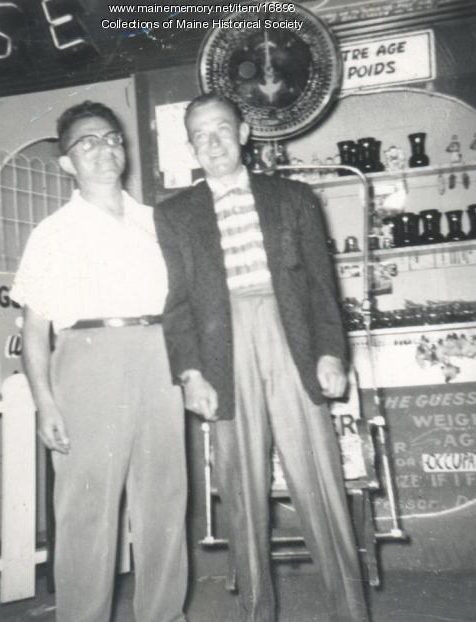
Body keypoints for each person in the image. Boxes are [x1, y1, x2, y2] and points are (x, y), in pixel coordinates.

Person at [154, 93, 369, 622]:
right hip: (222, 346)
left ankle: (350, 611)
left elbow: (323, 286)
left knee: (319, 480)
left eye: (223, 129)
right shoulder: (175, 214)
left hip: (290, 338)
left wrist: (330, 353)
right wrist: (189, 372)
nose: (214, 142)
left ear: (245, 133)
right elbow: (177, 304)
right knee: (241, 488)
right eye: (201, 135)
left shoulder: (292, 197)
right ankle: (256, 611)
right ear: (191, 148)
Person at [11, 101, 188, 622]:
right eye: (85, 142)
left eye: (110, 137)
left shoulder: (158, 223)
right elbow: (34, 328)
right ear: (67, 162)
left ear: (124, 148)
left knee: (164, 501)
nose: (102, 149)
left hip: (159, 359)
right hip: (87, 362)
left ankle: (164, 615)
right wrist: (45, 402)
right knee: (86, 509)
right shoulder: (52, 233)